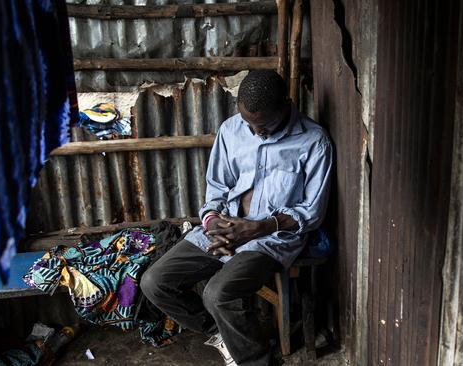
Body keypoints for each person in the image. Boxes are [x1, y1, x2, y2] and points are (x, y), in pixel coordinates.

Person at [140, 70, 333, 366]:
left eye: (265, 125)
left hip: (271, 238)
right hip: (226, 225)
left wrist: (259, 227)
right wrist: (214, 223)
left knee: (217, 294)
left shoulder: (313, 141)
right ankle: (222, 334)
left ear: (287, 105)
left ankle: (258, 361)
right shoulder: (231, 131)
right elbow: (216, 188)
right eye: (249, 124)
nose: (256, 132)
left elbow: (312, 212)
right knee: (155, 281)